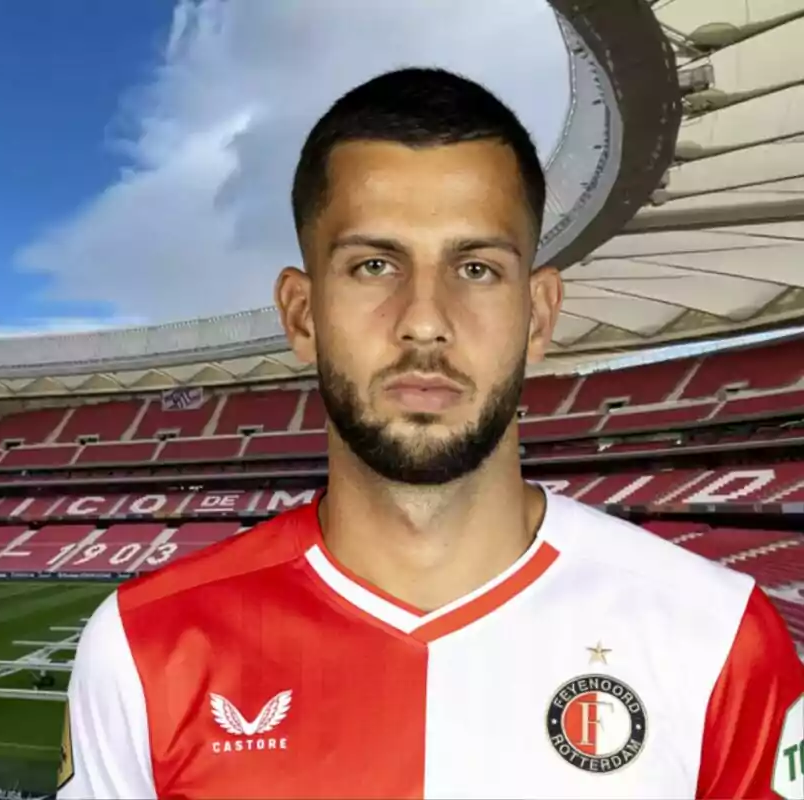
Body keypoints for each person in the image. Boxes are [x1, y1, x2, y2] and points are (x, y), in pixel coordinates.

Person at [56, 67, 804, 799]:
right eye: (374, 265)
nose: (424, 319)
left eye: (476, 268)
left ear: (539, 314)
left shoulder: (717, 638)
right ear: (302, 314)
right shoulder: (142, 645)